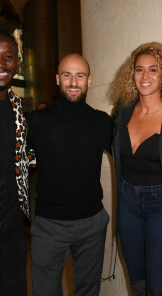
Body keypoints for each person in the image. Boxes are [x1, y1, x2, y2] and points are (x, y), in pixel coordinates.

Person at [27, 53, 113, 296]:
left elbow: (132, 154)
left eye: (80, 76)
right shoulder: (36, 121)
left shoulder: (101, 121)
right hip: (48, 225)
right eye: (67, 75)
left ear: (89, 80)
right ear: (57, 79)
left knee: (88, 291)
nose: (73, 82)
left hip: (92, 224)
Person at [110, 42, 162, 296]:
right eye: (139, 70)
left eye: (153, 70)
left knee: (157, 287)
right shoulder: (122, 111)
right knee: (137, 281)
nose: (145, 77)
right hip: (127, 201)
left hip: (161, 203)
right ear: (131, 74)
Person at [0, 31, 35, 295]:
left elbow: (24, 155)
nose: (2, 64)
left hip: (11, 216)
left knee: (14, 284)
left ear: (18, 62)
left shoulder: (17, 109)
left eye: (8, 57)